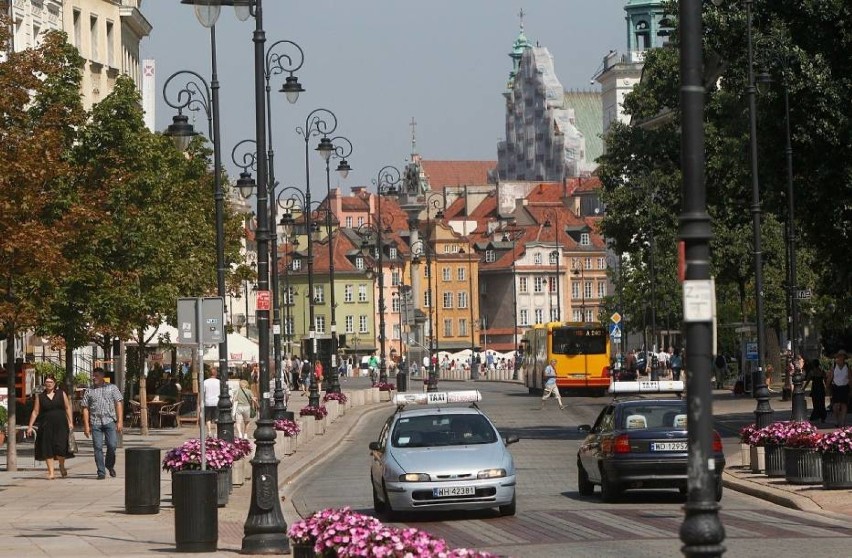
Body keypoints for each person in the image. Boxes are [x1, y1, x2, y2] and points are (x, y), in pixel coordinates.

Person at [26, 375, 74, 480]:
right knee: (48, 449)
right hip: (46, 425)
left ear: (54, 383)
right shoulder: (40, 397)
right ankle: (51, 472)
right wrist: (30, 426)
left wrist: (71, 422)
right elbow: (35, 412)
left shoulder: (61, 394)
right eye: (47, 382)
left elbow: (67, 408)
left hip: (61, 425)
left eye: (51, 382)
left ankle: (61, 465)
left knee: (61, 448)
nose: (48, 384)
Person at [81, 368, 123, 480]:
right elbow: (85, 408)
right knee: (98, 447)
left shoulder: (112, 388)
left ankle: (109, 465)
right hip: (96, 422)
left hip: (109, 421)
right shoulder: (89, 391)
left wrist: (119, 421)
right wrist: (86, 426)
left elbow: (118, 403)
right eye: (93, 375)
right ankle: (101, 471)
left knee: (112, 445)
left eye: (97, 375)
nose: (94, 378)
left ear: (102, 376)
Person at [827, 349, 849, 428]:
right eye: (839, 356)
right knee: (836, 406)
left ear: (844, 357)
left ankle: (842, 422)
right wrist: (827, 387)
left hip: (844, 387)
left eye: (842, 356)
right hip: (836, 387)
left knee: (844, 405)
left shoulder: (847, 366)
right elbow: (829, 377)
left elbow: (850, 378)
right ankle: (837, 419)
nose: (841, 357)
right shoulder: (834, 366)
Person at [804, 358, 827, 424]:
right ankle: (823, 417)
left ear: (813, 365)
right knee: (822, 403)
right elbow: (825, 380)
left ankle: (816, 415)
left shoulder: (811, 372)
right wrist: (827, 388)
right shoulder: (822, 371)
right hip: (821, 388)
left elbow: (807, 381)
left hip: (815, 388)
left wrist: (803, 388)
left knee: (815, 402)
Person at [203, 367, 220, 435]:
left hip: (208, 402)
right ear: (216, 374)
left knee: (208, 418)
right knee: (217, 418)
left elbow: (203, 392)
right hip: (217, 401)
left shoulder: (205, 382)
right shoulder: (219, 382)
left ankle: (209, 432)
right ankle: (216, 432)